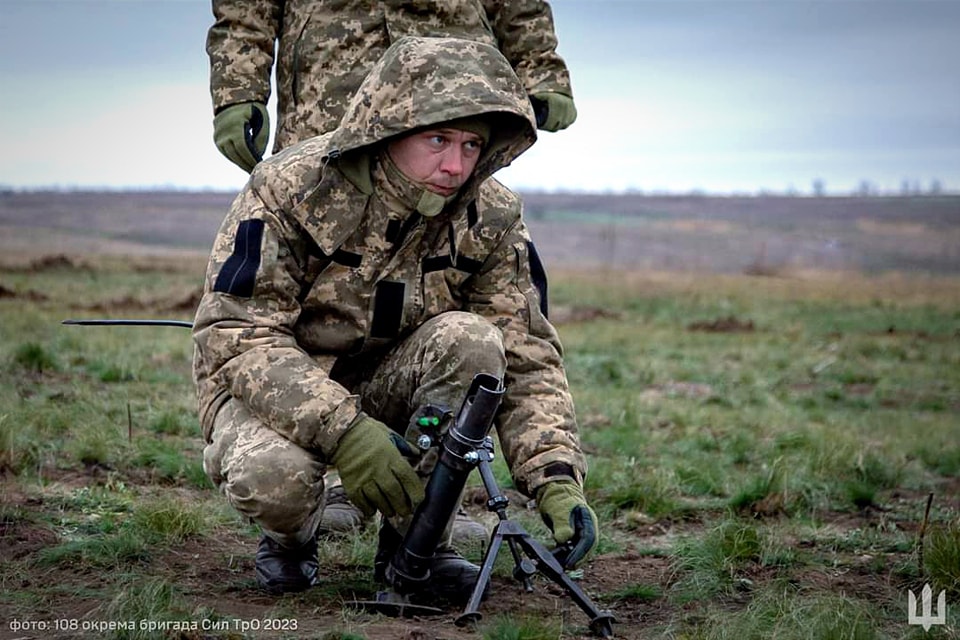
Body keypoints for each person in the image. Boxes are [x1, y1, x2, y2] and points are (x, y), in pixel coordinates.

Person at [192, 35, 597, 600]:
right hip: (270, 390)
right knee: (276, 481)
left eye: (471, 145)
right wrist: (348, 433)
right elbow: (238, 335)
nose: (455, 165)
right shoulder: (289, 189)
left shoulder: (493, 216)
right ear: (388, 127)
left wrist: (555, 479)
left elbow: (526, 354)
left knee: (473, 341)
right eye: (437, 139)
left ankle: (416, 549)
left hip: (395, 383)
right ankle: (292, 536)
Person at [207, 0, 578, 174]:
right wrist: (238, 91)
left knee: (456, 225)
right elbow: (244, 9)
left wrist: (540, 69)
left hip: (454, 77)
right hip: (332, 84)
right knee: (315, 225)